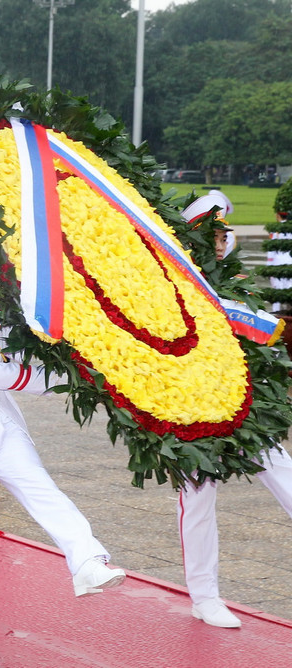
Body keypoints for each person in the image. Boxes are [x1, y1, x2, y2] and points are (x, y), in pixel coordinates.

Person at [0, 198, 125, 668]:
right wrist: (56, 382)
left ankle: (87, 559)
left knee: (41, 486)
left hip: (0, 418)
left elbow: (16, 354)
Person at [176, 193, 292, 629]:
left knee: (281, 468)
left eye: (225, 234)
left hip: (241, 405)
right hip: (188, 409)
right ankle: (204, 596)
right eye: (213, 234)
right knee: (198, 497)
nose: (221, 242)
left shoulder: (234, 281)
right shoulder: (174, 283)